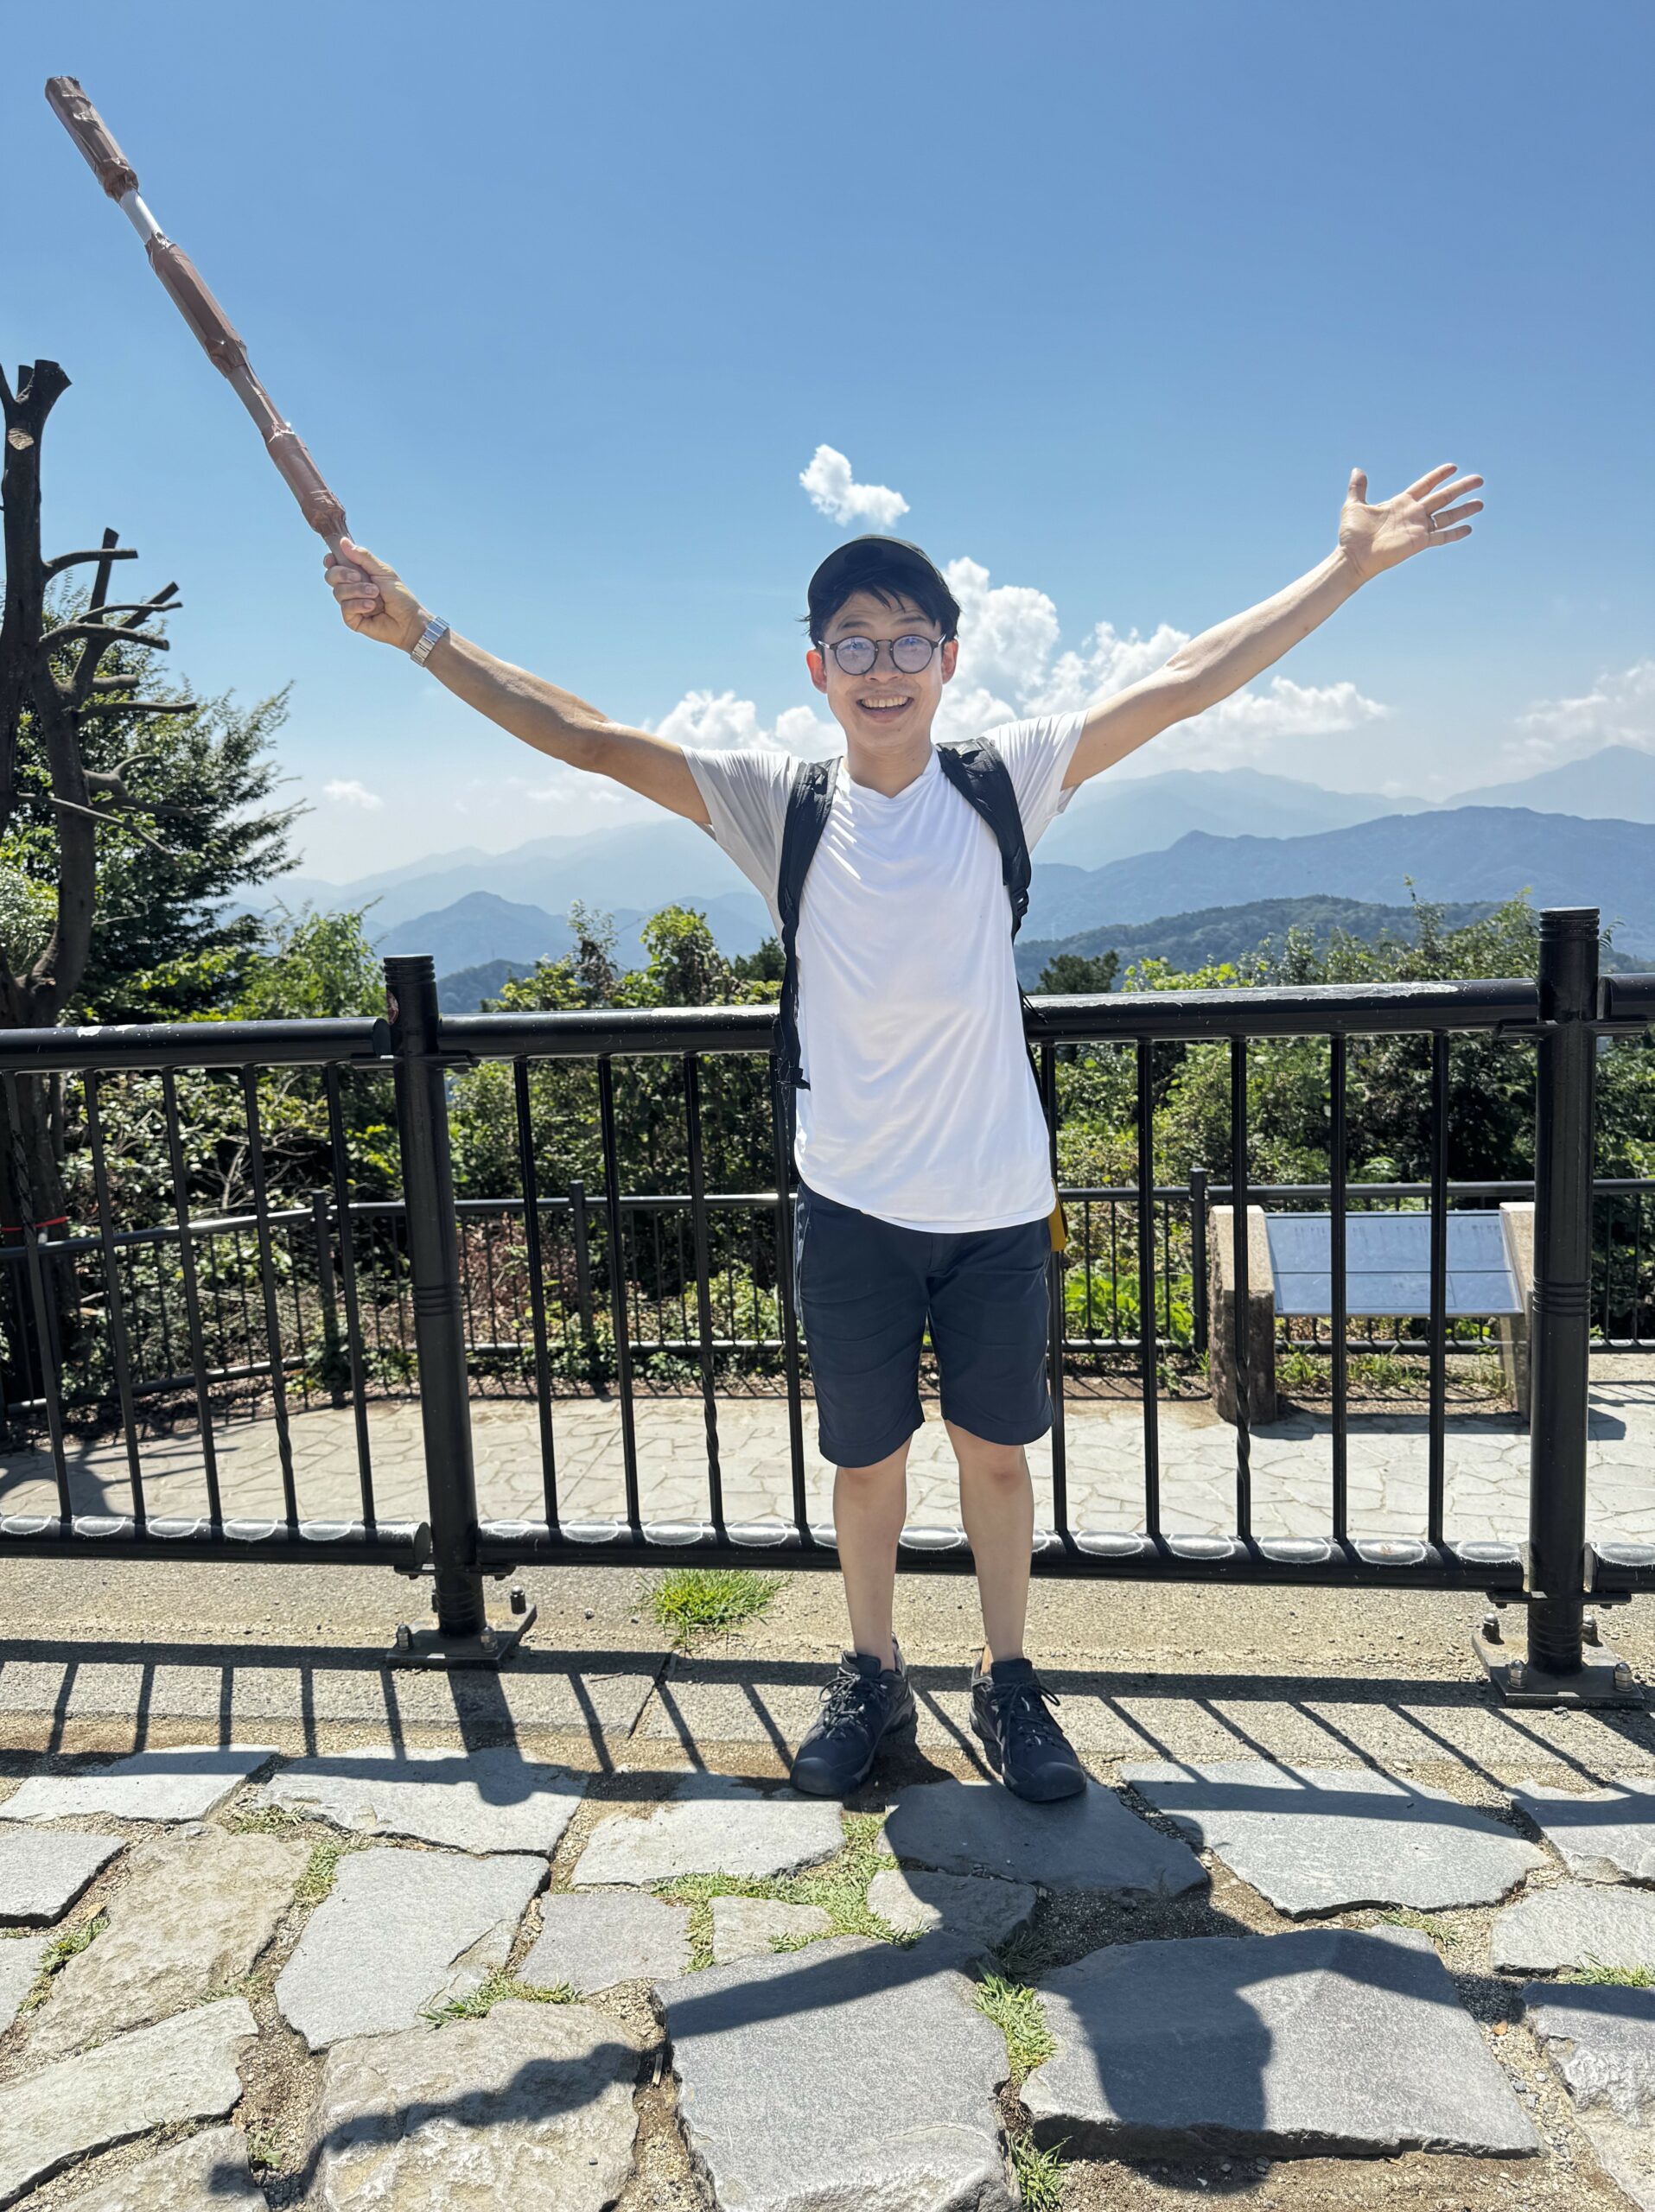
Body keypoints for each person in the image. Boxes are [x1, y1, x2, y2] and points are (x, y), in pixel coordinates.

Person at [323, 461, 1482, 1799]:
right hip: (851, 1207)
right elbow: (586, 736)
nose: (886, 669)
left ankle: (1008, 1678)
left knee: (998, 1459)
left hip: (997, 1207)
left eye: (910, 642)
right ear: (818, 668)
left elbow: (1183, 683)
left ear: (949, 659)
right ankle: (870, 1672)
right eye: (858, 645)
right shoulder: (781, 804)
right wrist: (420, 635)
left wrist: (1345, 568)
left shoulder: (1003, 781)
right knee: (865, 1464)